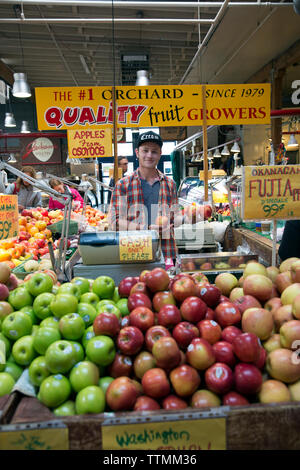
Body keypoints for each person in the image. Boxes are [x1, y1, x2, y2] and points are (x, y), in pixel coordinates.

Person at [108, 131, 179, 263]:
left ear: (160, 154)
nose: (149, 155)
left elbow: (174, 218)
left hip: (167, 252)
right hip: (134, 253)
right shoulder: (123, 185)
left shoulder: (170, 184)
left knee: (168, 283)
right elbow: (115, 222)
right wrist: (146, 228)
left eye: (154, 151)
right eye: (145, 150)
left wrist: (190, 216)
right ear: (137, 152)